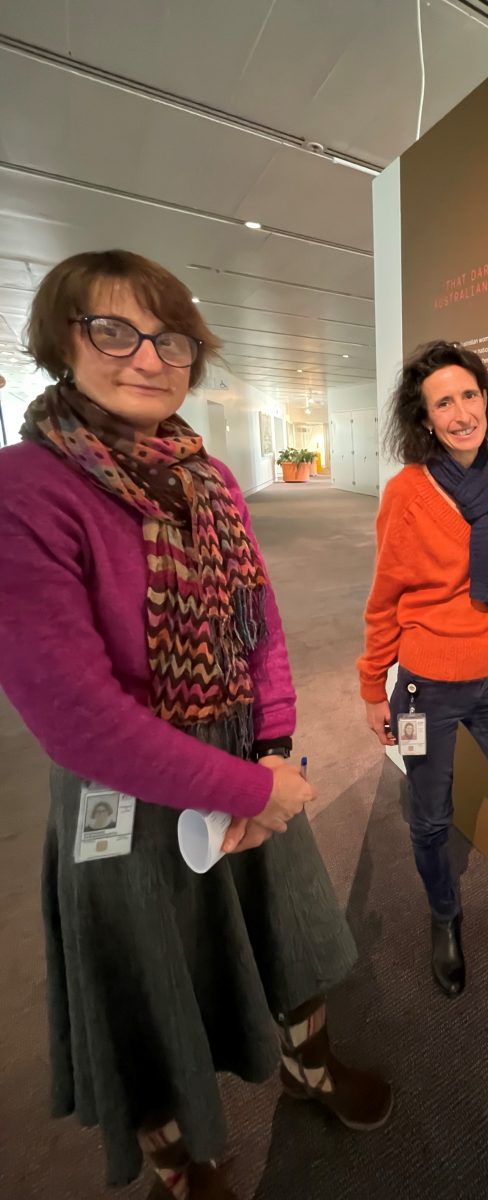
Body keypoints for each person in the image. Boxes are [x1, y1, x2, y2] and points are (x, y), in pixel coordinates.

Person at [0, 251, 392, 1200]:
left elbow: (256, 617)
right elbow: (78, 719)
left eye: (169, 336)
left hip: (241, 747)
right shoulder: (28, 487)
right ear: (62, 340)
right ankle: (184, 1162)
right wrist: (253, 792)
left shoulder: (208, 475)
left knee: (287, 923)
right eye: (113, 331)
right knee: (147, 976)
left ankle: (303, 1066)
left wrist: (270, 745)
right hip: (122, 788)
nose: (147, 356)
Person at [357, 340, 488, 1002]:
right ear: (425, 419)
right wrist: (372, 688)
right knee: (430, 819)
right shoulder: (407, 493)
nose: (461, 411)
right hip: (425, 691)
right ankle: (444, 921)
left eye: (469, 395)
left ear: (485, 401)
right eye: (443, 402)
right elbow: (384, 596)